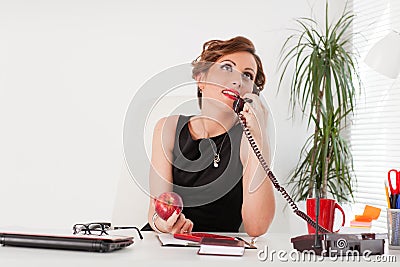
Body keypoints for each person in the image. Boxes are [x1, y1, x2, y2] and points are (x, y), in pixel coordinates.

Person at [144, 36, 275, 237]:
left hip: (217, 250)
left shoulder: (248, 139)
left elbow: (256, 227)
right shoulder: (167, 129)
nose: (237, 80)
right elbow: (155, 211)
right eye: (226, 67)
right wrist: (166, 225)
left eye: (247, 75)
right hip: (166, 244)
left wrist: (259, 135)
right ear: (201, 79)